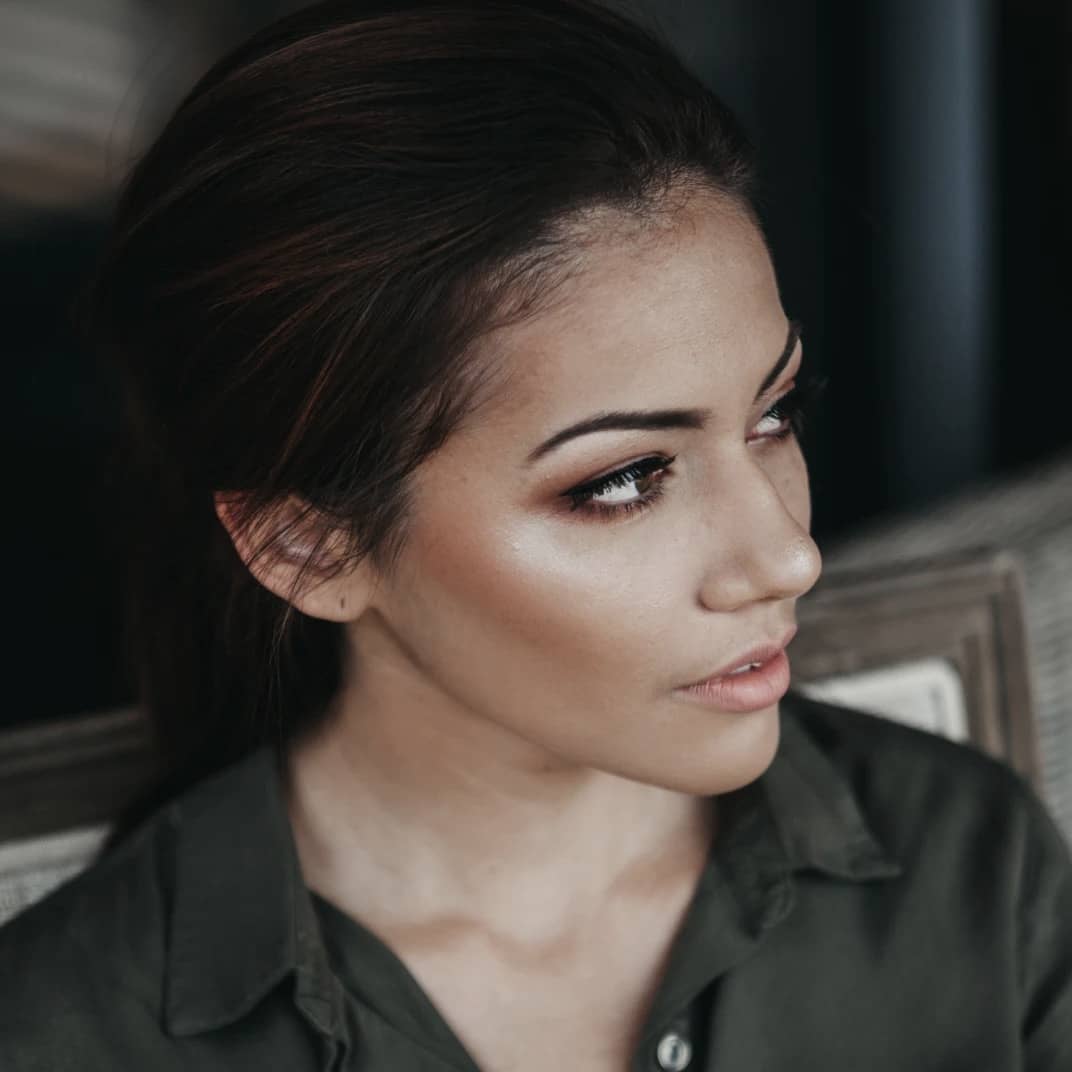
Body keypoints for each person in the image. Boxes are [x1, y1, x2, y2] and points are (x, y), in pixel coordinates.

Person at [1, 1, 1069, 1069]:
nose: (789, 557)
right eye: (623, 480)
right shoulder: (73, 1033)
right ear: (306, 547)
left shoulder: (967, 867)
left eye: (774, 414)